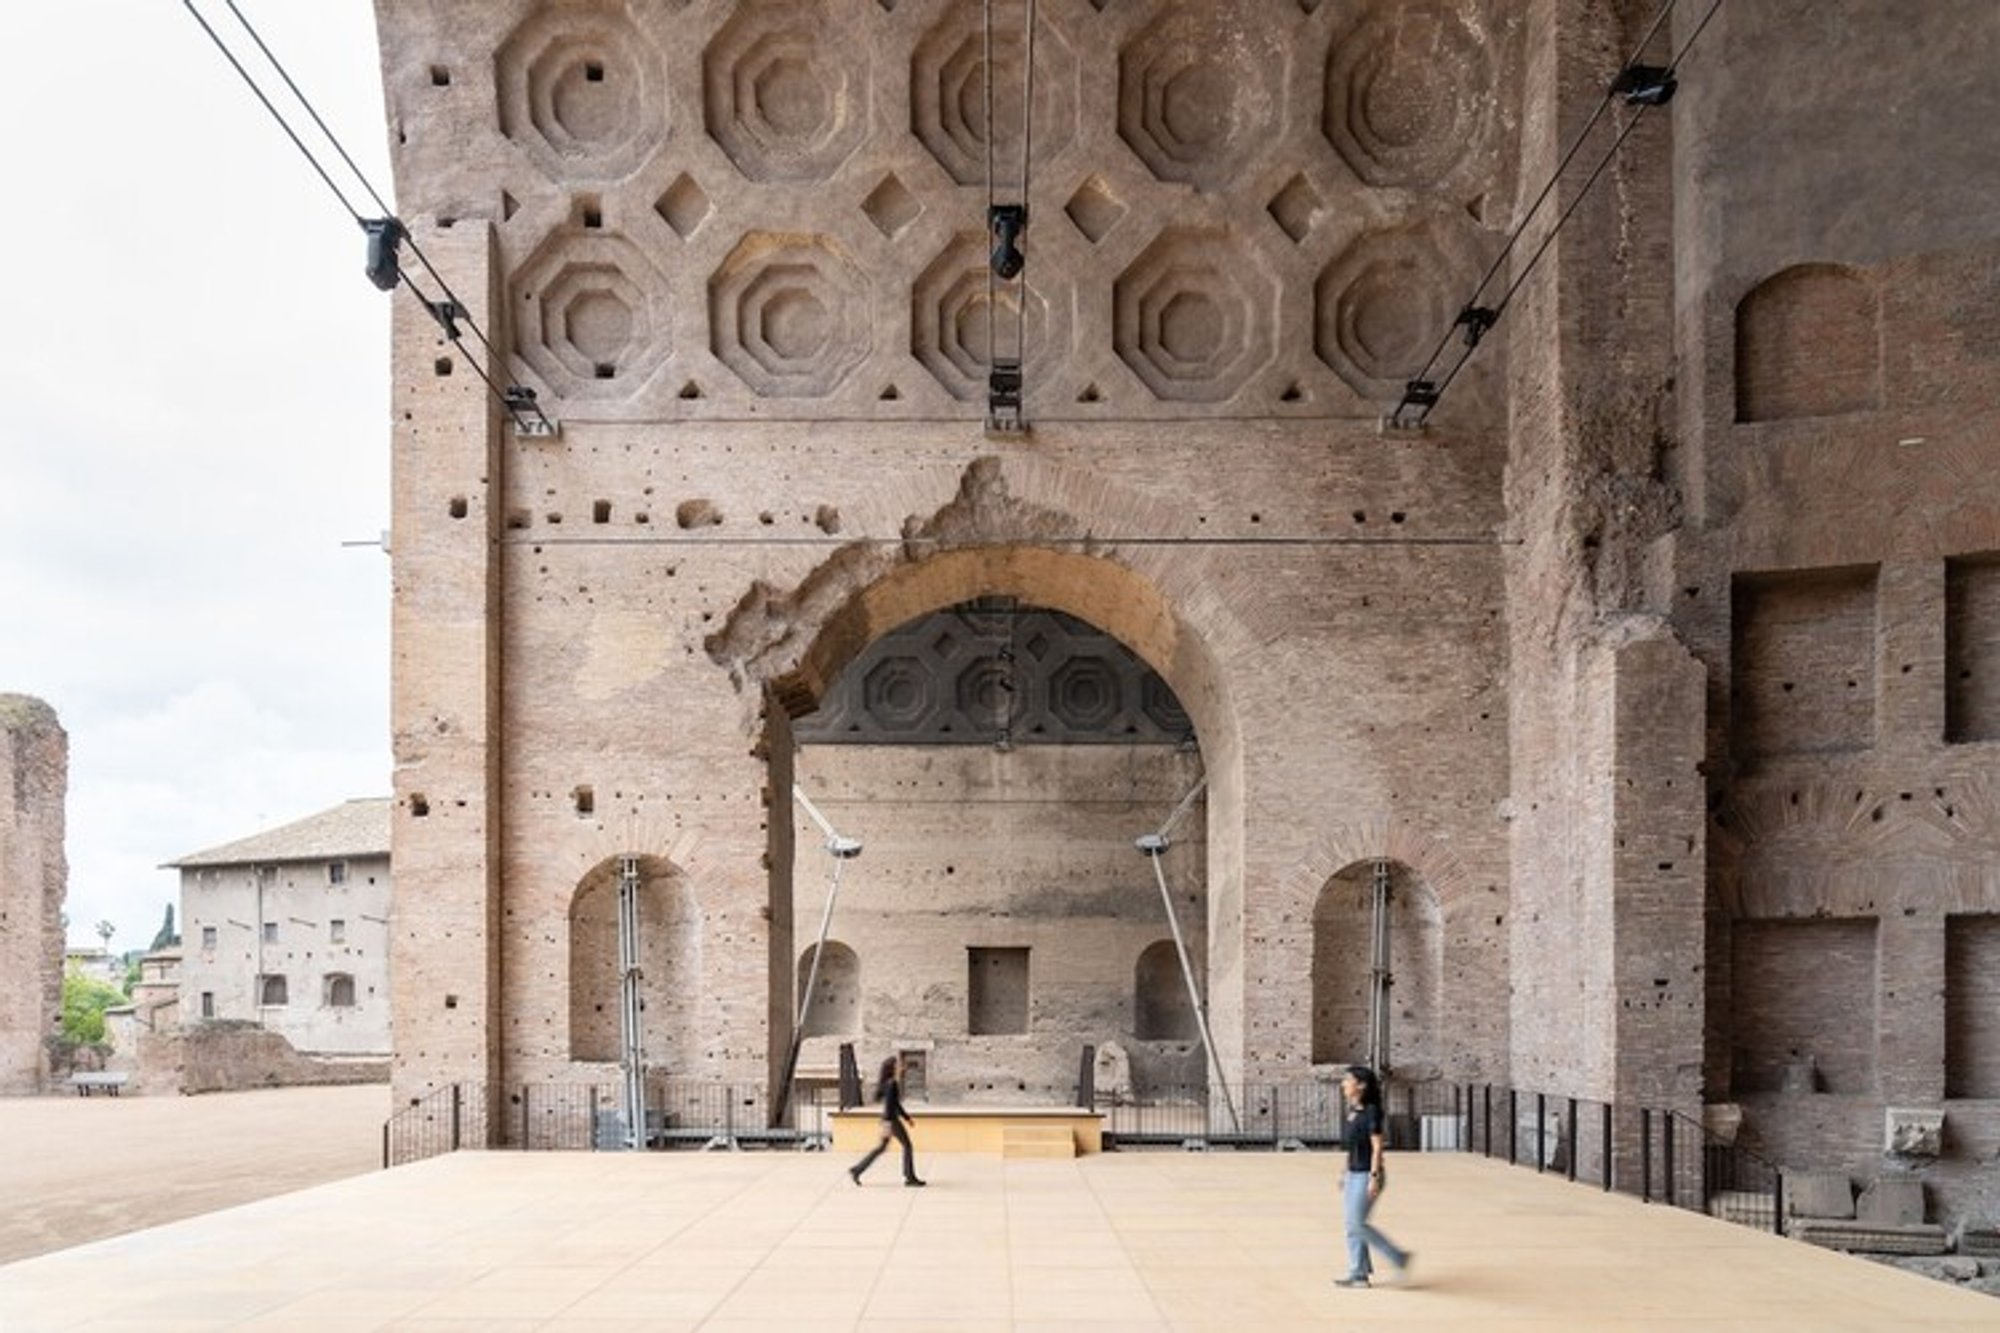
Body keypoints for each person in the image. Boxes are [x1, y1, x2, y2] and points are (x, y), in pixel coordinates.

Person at [1335, 1064, 1410, 1287]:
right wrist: (1344, 1172)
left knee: (1358, 1224)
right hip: (1353, 1173)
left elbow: (1377, 1147)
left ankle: (1398, 1257)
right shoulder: (1352, 1112)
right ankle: (1358, 1274)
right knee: (1351, 1225)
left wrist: (1374, 1176)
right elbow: (1353, 1147)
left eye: (1347, 1080)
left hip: (1367, 1174)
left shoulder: (1371, 1112)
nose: (1343, 1084)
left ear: (1361, 1085)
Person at [849, 1053, 925, 1187]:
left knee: (882, 1148)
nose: (901, 1066)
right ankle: (910, 1177)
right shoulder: (892, 1084)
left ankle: (857, 1169)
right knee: (907, 1145)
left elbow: (895, 1104)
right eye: (899, 1064)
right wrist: (889, 1124)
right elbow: (892, 1105)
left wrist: (907, 1119)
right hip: (891, 1120)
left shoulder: (889, 1083)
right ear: (893, 1067)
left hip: (889, 1119)